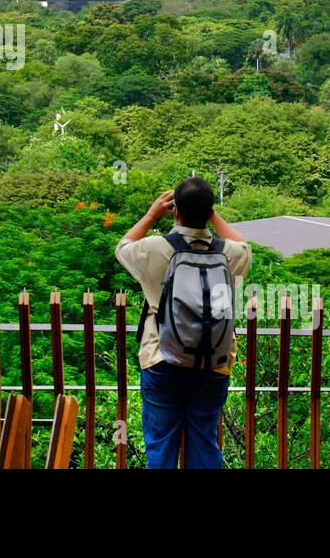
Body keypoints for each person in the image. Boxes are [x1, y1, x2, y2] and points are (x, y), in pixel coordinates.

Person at [115, 178, 251, 469]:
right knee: (204, 442)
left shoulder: (154, 248)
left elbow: (123, 246)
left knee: (161, 446)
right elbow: (245, 246)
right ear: (210, 211)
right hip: (213, 362)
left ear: (175, 210)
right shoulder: (229, 253)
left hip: (161, 357)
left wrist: (152, 215)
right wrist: (211, 214)